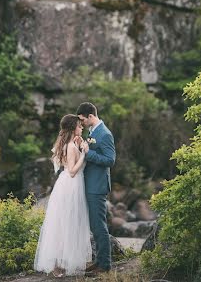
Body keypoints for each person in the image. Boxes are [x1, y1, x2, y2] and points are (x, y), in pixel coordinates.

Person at [34, 114, 92, 277]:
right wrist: (84, 154)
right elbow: (73, 172)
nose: (82, 128)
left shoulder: (67, 143)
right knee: (68, 223)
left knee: (64, 223)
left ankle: (61, 264)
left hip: (65, 184)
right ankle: (60, 265)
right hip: (71, 185)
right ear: (74, 128)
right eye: (80, 126)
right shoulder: (72, 147)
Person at [77, 102, 116, 275]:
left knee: (99, 225)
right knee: (94, 224)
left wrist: (88, 153)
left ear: (91, 116)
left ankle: (105, 265)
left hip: (97, 185)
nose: (81, 123)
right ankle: (98, 261)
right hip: (90, 183)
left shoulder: (105, 134)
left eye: (82, 120)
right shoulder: (92, 132)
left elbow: (110, 160)